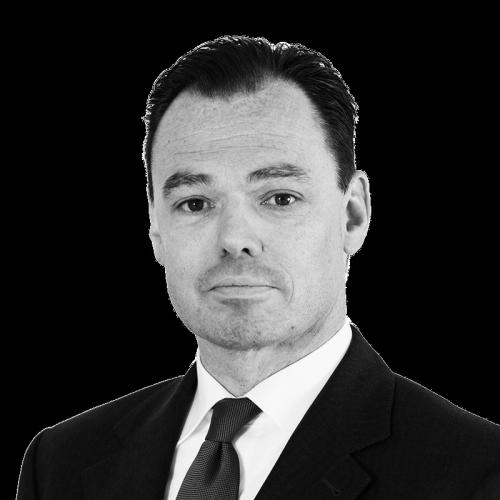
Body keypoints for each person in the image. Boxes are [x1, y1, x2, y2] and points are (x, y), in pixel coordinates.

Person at [17, 35, 500, 500]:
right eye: (194, 203)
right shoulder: (60, 463)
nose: (234, 239)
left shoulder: (480, 473)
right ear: (156, 228)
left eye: (280, 197)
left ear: (353, 214)